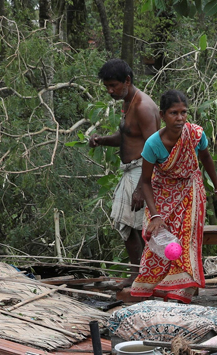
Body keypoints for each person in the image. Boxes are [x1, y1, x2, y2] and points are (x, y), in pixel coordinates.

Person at [129, 90, 217, 304]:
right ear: (162, 115)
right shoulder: (152, 144)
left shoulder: (195, 134)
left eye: (183, 113)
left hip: (190, 189)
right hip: (161, 192)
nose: (179, 118)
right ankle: (154, 289)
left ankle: (179, 292)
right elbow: (147, 182)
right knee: (158, 238)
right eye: (173, 113)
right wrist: (156, 214)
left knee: (185, 241)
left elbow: (206, 158)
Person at [89, 59, 160, 284]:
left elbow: (153, 147)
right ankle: (138, 273)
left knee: (133, 225)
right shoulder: (128, 103)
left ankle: (140, 275)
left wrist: (142, 187)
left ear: (127, 81)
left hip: (141, 171)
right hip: (132, 171)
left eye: (113, 86)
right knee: (127, 224)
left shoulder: (143, 106)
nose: (110, 91)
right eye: (107, 87)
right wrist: (102, 140)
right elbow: (128, 136)